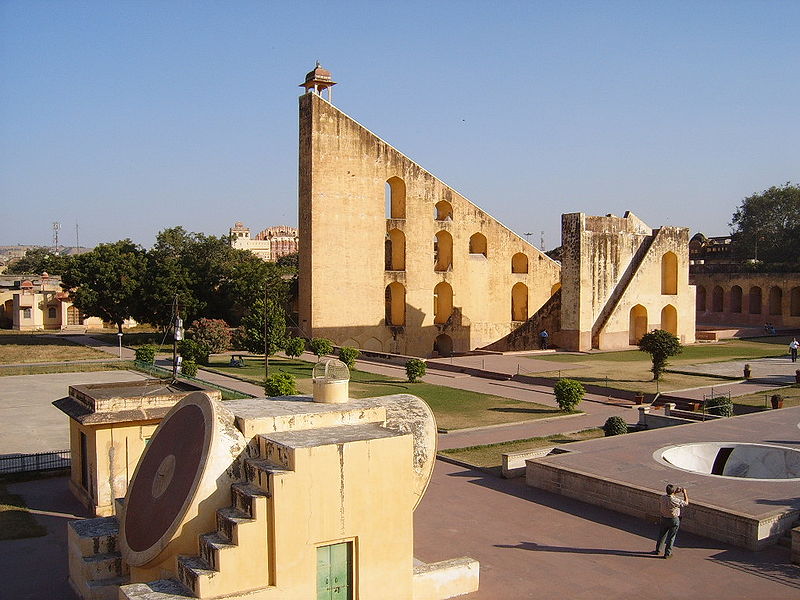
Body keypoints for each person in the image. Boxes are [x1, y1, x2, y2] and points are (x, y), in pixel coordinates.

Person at [655, 484, 689, 558]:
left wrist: (674, 493)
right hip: (673, 519)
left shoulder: (662, 497)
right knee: (671, 537)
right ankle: (667, 553)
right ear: (673, 491)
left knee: (662, 534)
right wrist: (685, 493)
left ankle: (658, 550)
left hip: (664, 518)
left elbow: (669, 497)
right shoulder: (675, 500)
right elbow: (686, 503)